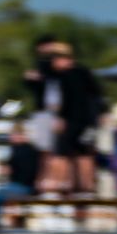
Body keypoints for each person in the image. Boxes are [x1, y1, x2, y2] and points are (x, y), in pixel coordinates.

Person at [26, 42, 104, 194]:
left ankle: (65, 186)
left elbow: (71, 100)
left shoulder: (71, 75)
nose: (53, 63)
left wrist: (62, 118)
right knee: (79, 153)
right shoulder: (78, 73)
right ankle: (81, 187)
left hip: (76, 121)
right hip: (84, 121)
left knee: (68, 154)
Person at [0, 124, 39, 228]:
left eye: (14, 135)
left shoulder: (24, 150)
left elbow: (24, 173)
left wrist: (10, 170)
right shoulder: (25, 149)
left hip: (22, 187)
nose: (11, 138)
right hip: (20, 186)